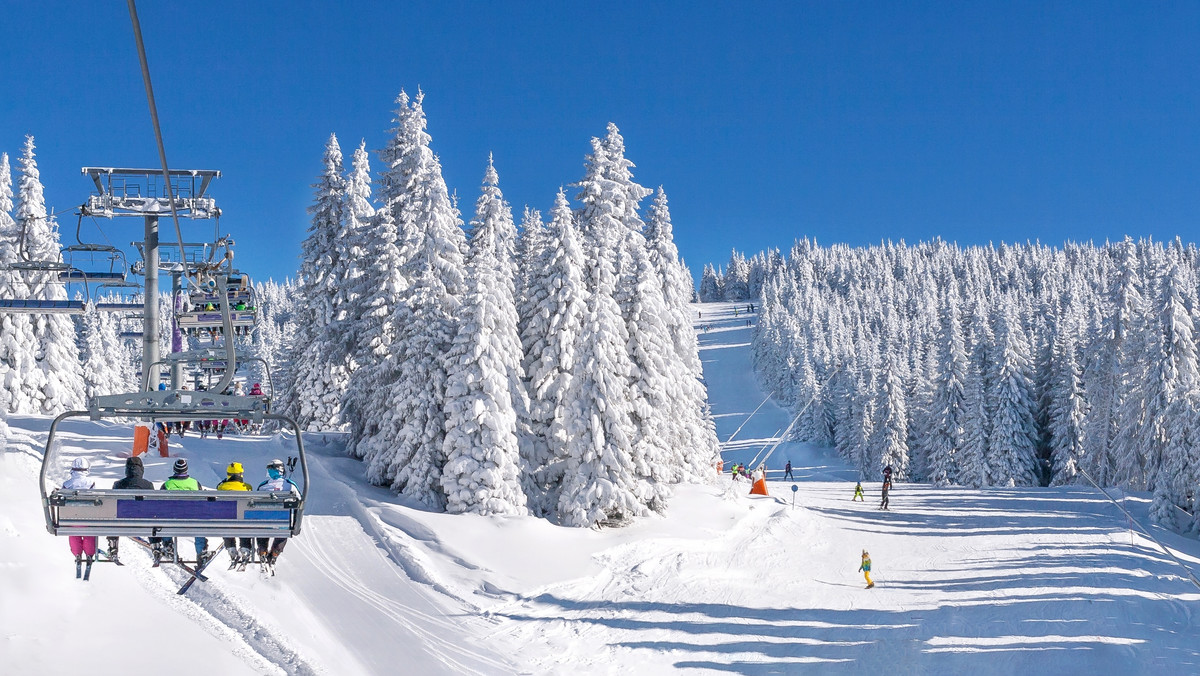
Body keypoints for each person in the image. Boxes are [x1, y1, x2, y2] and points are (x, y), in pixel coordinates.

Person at [108, 456, 154, 563]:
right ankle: (155, 544)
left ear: (126, 470)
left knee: (112, 516)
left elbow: (112, 502)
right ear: (141, 469)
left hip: (122, 519)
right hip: (144, 520)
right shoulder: (148, 485)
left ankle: (113, 545)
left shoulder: (118, 484)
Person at [162, 458, 209, 563]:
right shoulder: (195, 483)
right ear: (186, 469)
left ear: (174, 469)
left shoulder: (167, 485)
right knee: (199, 525)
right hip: (193, 518)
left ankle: (168, 545)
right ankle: (201, 551)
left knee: (163, 520)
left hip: (172, 519)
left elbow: (161, 505)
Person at [256, 459, 300, 565]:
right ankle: (275, 553)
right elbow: (298, 501)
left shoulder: (263, 486)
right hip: (283, 522)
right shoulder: (290, 485)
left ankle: (262, 550)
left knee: (262, 528)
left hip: (265, 522)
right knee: (283, 529)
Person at [217, 462, 254, 565]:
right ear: (241, 474)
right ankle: (245, 548)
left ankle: (231, 547)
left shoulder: (222, 487)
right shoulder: (247, 487)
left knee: (226, 522)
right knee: (244, 522)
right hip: (243, 520)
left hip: (228, 520)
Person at [62, 458, 97, 566]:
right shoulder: (91, 483)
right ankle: (89, 553)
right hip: (87, 517)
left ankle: (77, 553)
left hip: (72, 517)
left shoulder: (67, 484)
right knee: (89, 534)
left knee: (74, 533)